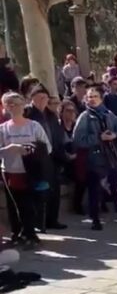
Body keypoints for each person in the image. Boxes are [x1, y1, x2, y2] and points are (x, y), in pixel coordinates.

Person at [73, 86, 117, 230]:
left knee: (116, 186)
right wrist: (98, 138)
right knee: (94, 190)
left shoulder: (109, 114)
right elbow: (78, 140)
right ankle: (95, 219)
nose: (92, 99)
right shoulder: (84, 117)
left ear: (101, 98)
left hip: (111, 157)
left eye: (95, 96)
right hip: (94, 158)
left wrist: (114, 135)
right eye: (90, 97)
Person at [0, 92, 51, 248]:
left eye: (17, 103)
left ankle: (30, 233)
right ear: (5, 107)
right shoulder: (3, 129)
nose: (14, 107)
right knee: (14, 205)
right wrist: (11, 148)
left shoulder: (34, 126)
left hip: (31, 171)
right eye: (10, 104)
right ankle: (17, 233)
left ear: (24, 105)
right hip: (11, 171)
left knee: (29, 204)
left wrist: (31, 149)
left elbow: (47, 147)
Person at [25, 86, 66, 232]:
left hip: (52, 157)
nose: (43, 101)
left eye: (45, 98)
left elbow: (57, 136)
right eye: (39, 98)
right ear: (32, 98)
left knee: (54, 190)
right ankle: (38, 223)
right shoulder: (28, 114)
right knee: (39, 191)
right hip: (36, 158)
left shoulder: (51, 115)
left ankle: (52, 220)